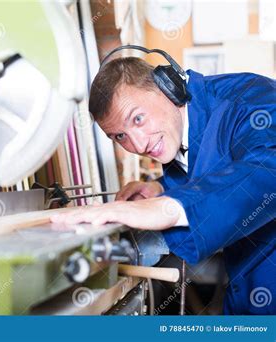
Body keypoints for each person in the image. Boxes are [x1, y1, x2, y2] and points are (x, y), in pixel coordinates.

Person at [51, 45, 276, 314]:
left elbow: (264, 172)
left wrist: (167, 207)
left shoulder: (251, 98)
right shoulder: (179, 130)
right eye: (119, 136)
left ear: (168, 86)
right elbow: (214, 169)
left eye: (137, 118)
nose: (138, 143)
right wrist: (159, 188)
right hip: (247, 291)